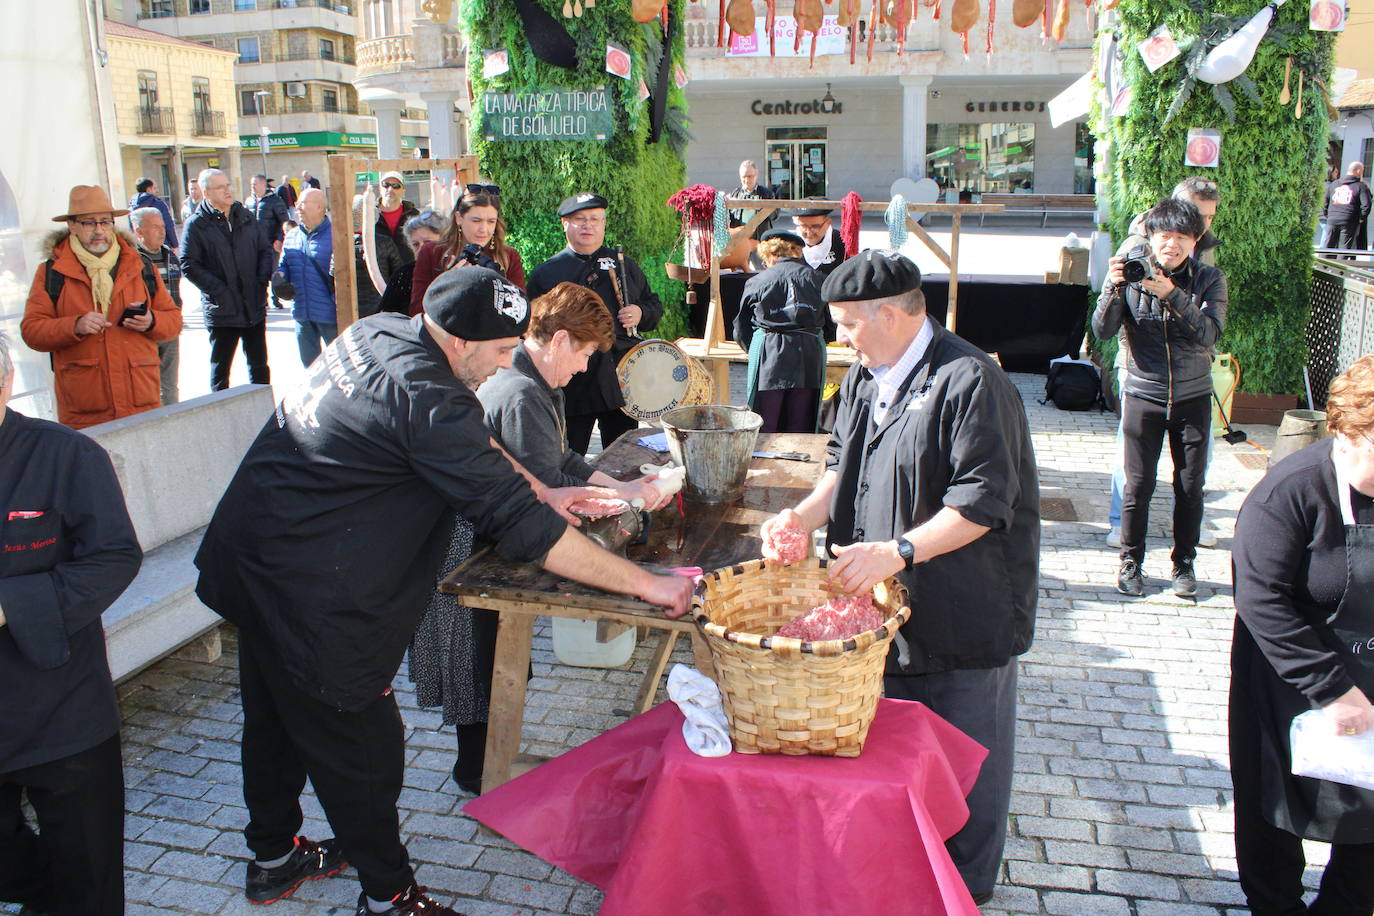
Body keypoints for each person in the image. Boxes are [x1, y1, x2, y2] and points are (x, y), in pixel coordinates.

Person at [193, 267, 693, 916]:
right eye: (495, 351)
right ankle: (390, 895)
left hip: (249, 556)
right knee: (365, 751)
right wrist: (649, 586)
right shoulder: (430, 397)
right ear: (458, 342)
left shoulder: (379, 331)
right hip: (312, 594)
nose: (503, 362)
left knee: (274, 721)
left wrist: (540, 488)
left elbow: (480, 446)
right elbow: (532, 538)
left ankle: (272, 857)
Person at [759, 250, 1039, 905]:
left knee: (965, 765)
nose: (840, 338)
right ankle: (896, 876)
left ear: (888, 314)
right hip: (879, 613)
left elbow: (984, 501)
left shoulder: (971, 380)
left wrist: (897, 552)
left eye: (846, 324)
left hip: (962, 615)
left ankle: (964, 893)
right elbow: (839, 461)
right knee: (888, 755)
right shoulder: (864, 374)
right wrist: (801, 514)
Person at [412, 282, 668, 794]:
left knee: (491, 665)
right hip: (472, 548)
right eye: (586, 354)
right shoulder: (522, 388)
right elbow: (545, 483)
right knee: (478, 667)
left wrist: (620, 486)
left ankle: (487, 765)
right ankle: (480, 775)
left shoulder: (539, 380)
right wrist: (616, 505)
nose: (583, 367)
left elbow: (563, 459)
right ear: (559, 341)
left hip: (489, 535)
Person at [0, 329, 143, 916]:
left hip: (63, 708)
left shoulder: (64, 454)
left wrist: (12, 606)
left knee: (90, 875)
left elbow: (115, 557)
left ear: (6, 382)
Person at [1229, 354, 1374, 915]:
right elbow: (1261, 600)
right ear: (1348, 431)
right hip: (1287, 684)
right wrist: (1333, 690)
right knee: (1273, 812)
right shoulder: (1288, 491)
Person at [1092, 198, 1227, 598]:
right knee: (1137, 485)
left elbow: (1209, 334)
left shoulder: (1209, 279)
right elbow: (1101, 331)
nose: (1171, 245)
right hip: (1142, 394)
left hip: (1193, 395)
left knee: (1190, 485)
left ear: (1196, 240)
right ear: (1150, 236)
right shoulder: (1130, 272)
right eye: (1164, 235)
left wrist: (1172, 294)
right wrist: (1114, 287)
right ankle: (1131, 563)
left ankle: (1183, 564)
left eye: (1181, 237)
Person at [21, 186, 182, 428]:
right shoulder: (52, 272)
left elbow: (174, 321)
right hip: (85, 409)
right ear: (72, 226)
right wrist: (74, 325)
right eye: (89, 223)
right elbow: (32, 331)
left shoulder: (140, 265)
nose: (99, 230)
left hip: (141, 403)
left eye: (105, 222)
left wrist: (152, 321)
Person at [525, 192, 663, 454]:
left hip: (620, 378)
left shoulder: (624, 265)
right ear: (565, 223)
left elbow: (654, 306)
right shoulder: (548, 272)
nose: (588, 225)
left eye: (595, 219)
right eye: (580, 219)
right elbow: (534, 329)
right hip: (574, 383)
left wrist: (640, 312)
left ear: (604, 223)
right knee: (569, 453)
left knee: (625, 453)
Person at [181, 168, 276, 391]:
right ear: (206, 193)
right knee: (221, 372)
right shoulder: (197, 224)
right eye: (220, 187)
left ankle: (266, 416)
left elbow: (265, 250)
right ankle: (220, 415)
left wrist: (261, 282)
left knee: (260, 367)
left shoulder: (245, 216)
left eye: (228, 185)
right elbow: (188, 264)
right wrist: (219, 291)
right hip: (223, 310)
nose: (227, 191)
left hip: (252, 304)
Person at [732, 228, 828, 433]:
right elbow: (830, 323)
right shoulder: (818, 279)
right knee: (802, 422)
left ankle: (762, 461)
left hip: (771, 356)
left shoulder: (758, 281)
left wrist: (755, 349)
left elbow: (740, 328)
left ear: (768, 255)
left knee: (766, 423)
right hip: (809, 357)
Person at [410, 186, 524, 316]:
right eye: (476, 221)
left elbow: (520, 313)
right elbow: (416, 312)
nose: (484, 229)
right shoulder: (432, 253)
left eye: (491, 222)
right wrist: (448, 285)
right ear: (459, 218)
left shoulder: (509, 257)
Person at [273, 187, 336, 367]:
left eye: (302, 203)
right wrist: (279, 277)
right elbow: (284, 264)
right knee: (310, 369)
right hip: (301, 313)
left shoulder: (336, 236)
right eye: (297, 203)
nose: (297, 208)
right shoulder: (292, 235)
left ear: (319, 207)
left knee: (338, 366)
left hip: (329, 315)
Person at [130, 205, 185, 405]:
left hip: (169, 329)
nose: (162, 232)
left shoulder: (169, 255)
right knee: (147, 386)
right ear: (139, 231)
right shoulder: (130, 259)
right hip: (144, 331)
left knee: (170, 385)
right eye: (155, 227)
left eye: (162, 226)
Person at [376, 208, 448, 316]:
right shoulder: (403, 274)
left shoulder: (455, 269)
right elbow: (385, 315)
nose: (422, 249)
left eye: (428, 243)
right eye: (416, 244)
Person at [351, 194, 405, 320]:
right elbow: (398, 272)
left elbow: (332, 275)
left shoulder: (342, 244)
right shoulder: (384, 242)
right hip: (380, 303)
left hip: (352, 306)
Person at [248, 174, 291, 310]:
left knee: (272, 272)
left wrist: (279, 238)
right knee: (257, 272)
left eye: (255, 184)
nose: (253, 187)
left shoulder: (275, 200)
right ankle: (262, 299)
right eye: (251, 184)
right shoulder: (249, 201)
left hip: (270, 243)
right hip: (254, 244)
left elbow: (283, 221)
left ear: (262, 185)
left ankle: (275, 298)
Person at [1321, 162, 1372, 255]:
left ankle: (1323, 268)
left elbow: (1325, 202)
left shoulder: (1334, 184)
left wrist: (1328, 215)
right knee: (1344, 249)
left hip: (1332, 219)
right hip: (1349, 220)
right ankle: (1340, 268)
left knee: (1328, 246)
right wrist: (1361, 218)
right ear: (1358, 171)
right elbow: (1366, 205)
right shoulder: (1361, 186)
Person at [375, 171, 419, 271]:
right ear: (379, 188)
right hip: (379, 274)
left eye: (396, 186)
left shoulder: (414, 215)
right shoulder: (370, 214)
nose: (390, 189)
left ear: (403, 191)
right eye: (386, 185)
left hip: (408, 271)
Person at [791, 201, 849, 277]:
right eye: (803, 226)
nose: (809, 232)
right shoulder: (790, 243)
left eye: (815, 226)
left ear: (828, 223)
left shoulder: (842, 241)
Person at [128, 176, 179, 251]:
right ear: (148, 189)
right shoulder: (159, 204)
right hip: (162, 247)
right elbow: (168, 225)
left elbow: (131, 230)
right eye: (154, 188)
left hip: (140, 249)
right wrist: (175, 244)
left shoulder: (131, 208)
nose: (157, 191)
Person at [728, 159, 776, 238]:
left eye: (750, 176)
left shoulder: (766, 193)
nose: (746, 180)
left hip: (760, 241)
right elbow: (727, 219)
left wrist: (760, 206)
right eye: (744, 177)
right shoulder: (735, 194)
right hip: (740, 241)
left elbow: (775, 215)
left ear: (756, 175)